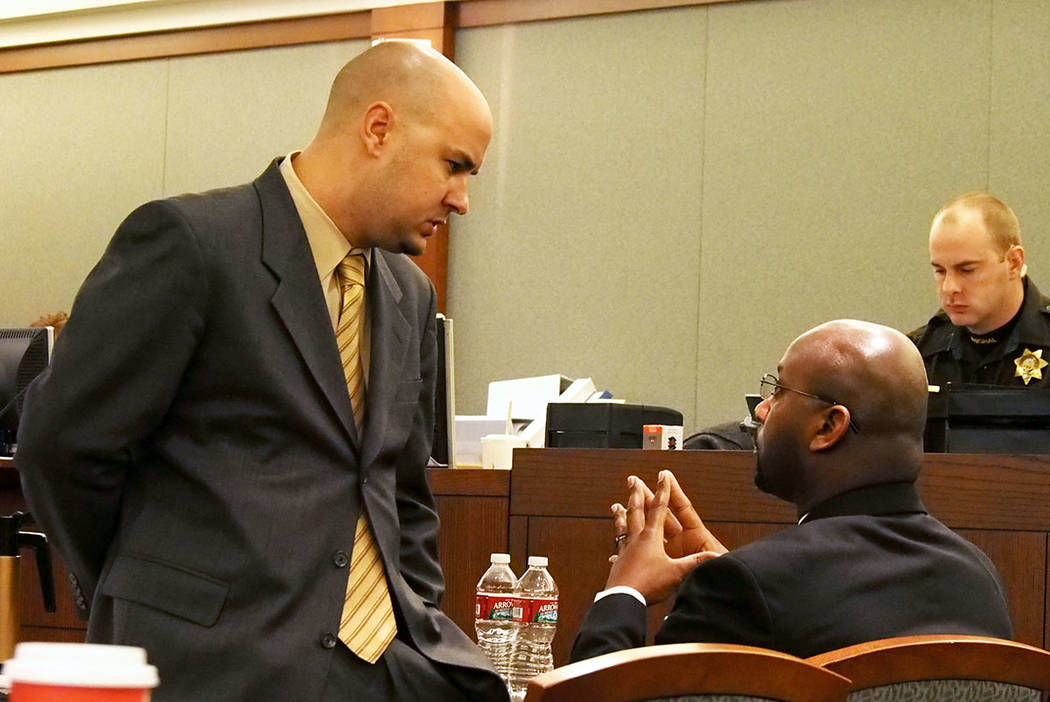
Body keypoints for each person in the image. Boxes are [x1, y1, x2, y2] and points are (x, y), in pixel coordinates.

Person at [16, 42, 508, 702]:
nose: (463, 200)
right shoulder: (191, 245)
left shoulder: (408, 295)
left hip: (386, 665)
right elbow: (62, 448)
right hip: (213, 662)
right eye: (455, 165)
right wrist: (151, 589)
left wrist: (414, 618)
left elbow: (401, 488)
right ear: (379, 128)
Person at [571, 320, 1012, 662]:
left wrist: (624, 593)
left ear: (828, 426)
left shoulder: (748, 588)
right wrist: (743, 578)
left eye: (779, 390)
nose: (761, 409)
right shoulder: (978, 579)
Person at [910, 192, 1050, 387]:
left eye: (967, 270)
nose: (950, 287)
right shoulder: (916, 357)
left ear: (1013, 263)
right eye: (940, 271)